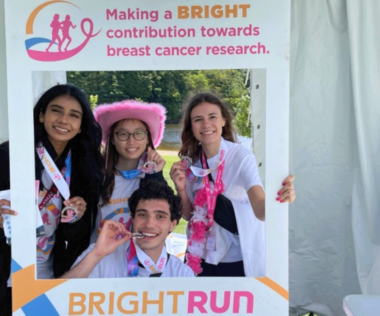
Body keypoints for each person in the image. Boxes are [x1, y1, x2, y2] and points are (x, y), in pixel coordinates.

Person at [0, 84, 104, 315]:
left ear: (81, 126)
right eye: (56, 111)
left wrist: (75, 218)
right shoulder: (9, 157)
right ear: (41, 115)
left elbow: (76, 235)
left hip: (47, 274)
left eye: (74, 115)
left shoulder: (83, 168)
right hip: (3, 276)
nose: (64, 120)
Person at [170, 92, 296, 277]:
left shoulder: (241, 157)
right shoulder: (191, 163)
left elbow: (260, 210)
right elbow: (188, 215)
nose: (206, 124)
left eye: (212, 117)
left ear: (223, 121)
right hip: (198, 256)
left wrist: (282, 198)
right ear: (191, 127)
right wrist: (180, 188)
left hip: (234, 259)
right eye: (198, 119)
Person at [61, 180, 194, 278]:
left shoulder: (182, 274)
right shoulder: (99, 255)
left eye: (160, 216)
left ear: (172, 224)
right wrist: (96, 255)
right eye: (142, 214)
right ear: (133, 219)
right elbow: (56, 298)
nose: (149, 224)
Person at [92, 100, 167, 241]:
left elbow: (162, 220)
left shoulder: (152, 176)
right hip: (102, 259)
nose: (131, 141)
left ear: (147, 138)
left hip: (139, 260)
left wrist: (155, 175)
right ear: (112, 139)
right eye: (123, 134)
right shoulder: (98, 176)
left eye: (138, 134)